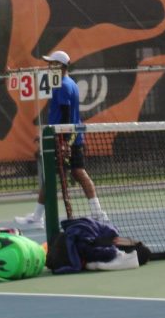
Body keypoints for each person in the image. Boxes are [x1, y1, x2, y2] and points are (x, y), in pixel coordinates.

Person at [16, 51, 108, 229]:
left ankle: (38, 217)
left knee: (69, 173)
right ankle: (97, 213)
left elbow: (66, 114)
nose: (49, 67)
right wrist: (48, 134)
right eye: (49, 63)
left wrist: (64, 141)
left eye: (52, 64)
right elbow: (61, 114)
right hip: (64, 135)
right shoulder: (66, 83)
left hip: (65, 137)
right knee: (75, 172)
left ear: (61, 66)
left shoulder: (63, 86)